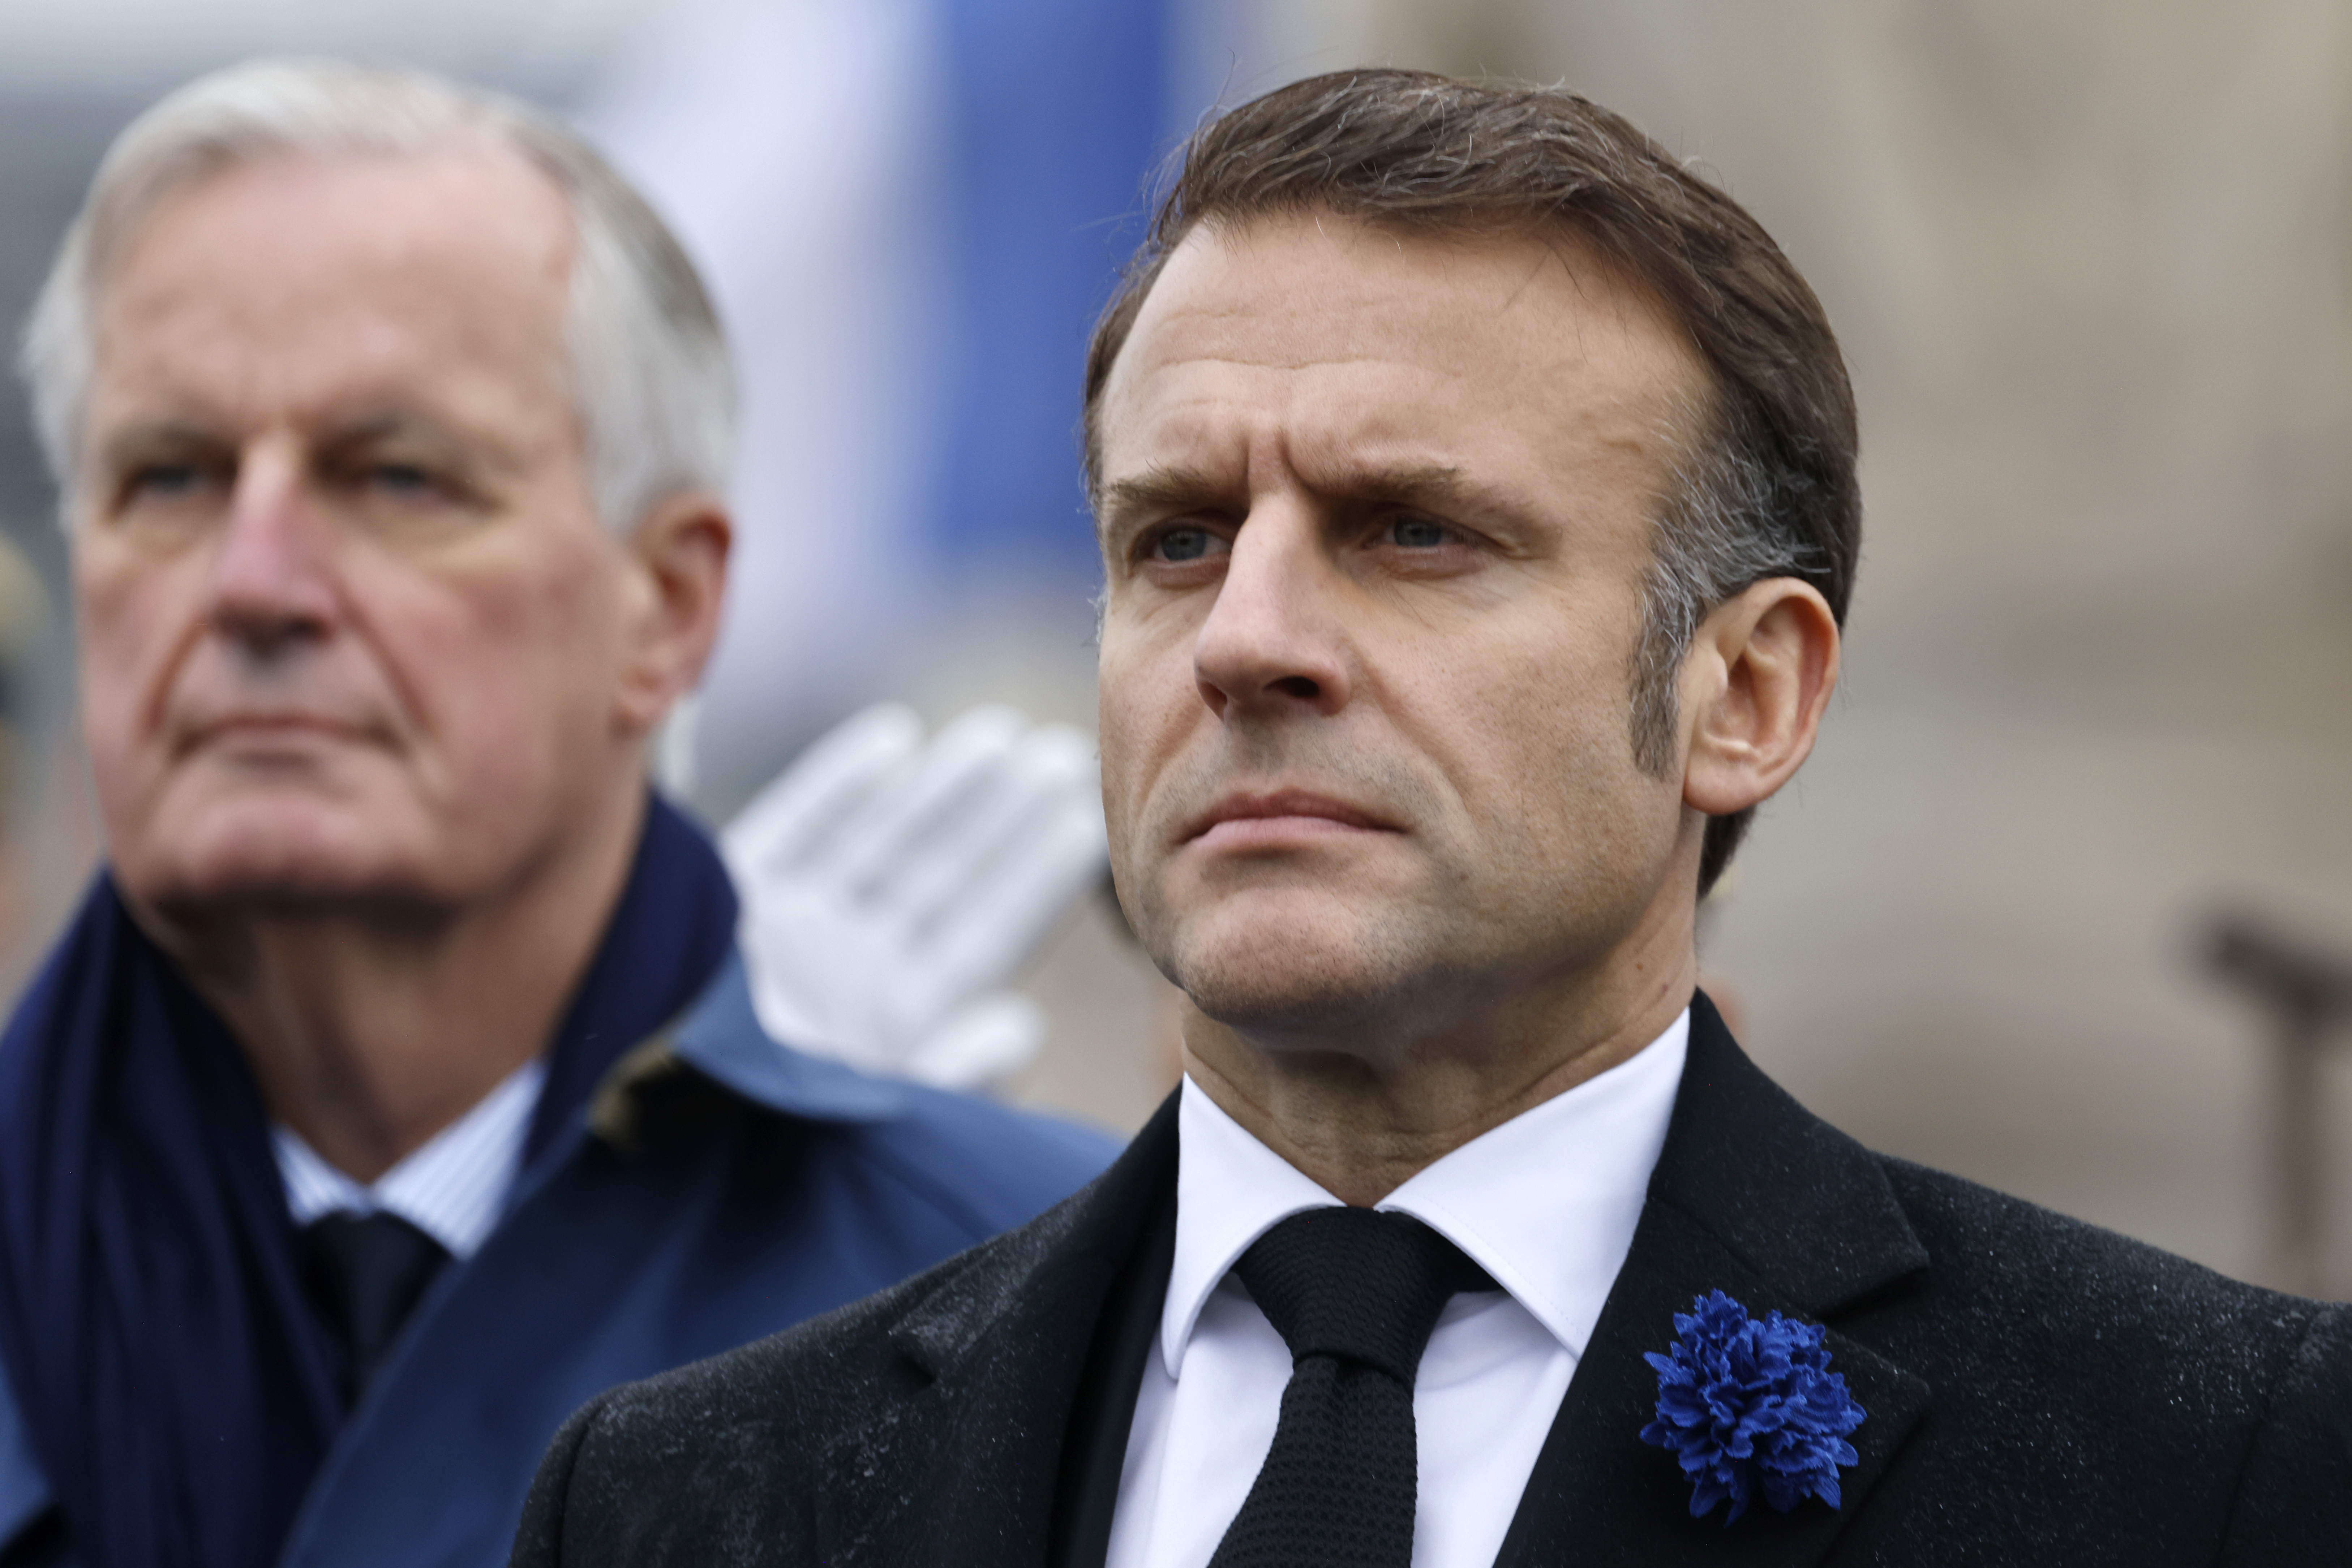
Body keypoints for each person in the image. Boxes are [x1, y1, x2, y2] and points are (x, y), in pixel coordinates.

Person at [511, 69, 2352, 1566]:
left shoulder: (2205, 1458)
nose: (1245, 640)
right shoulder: (683, 1500)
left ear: (1749, 694)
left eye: (1413, 532)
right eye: (1175, 539)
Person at [0, 59, 1117, 1568]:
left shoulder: (1059, 1294)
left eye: (395, 475)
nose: (252, 580)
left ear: (664, 605)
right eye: (169, 475)